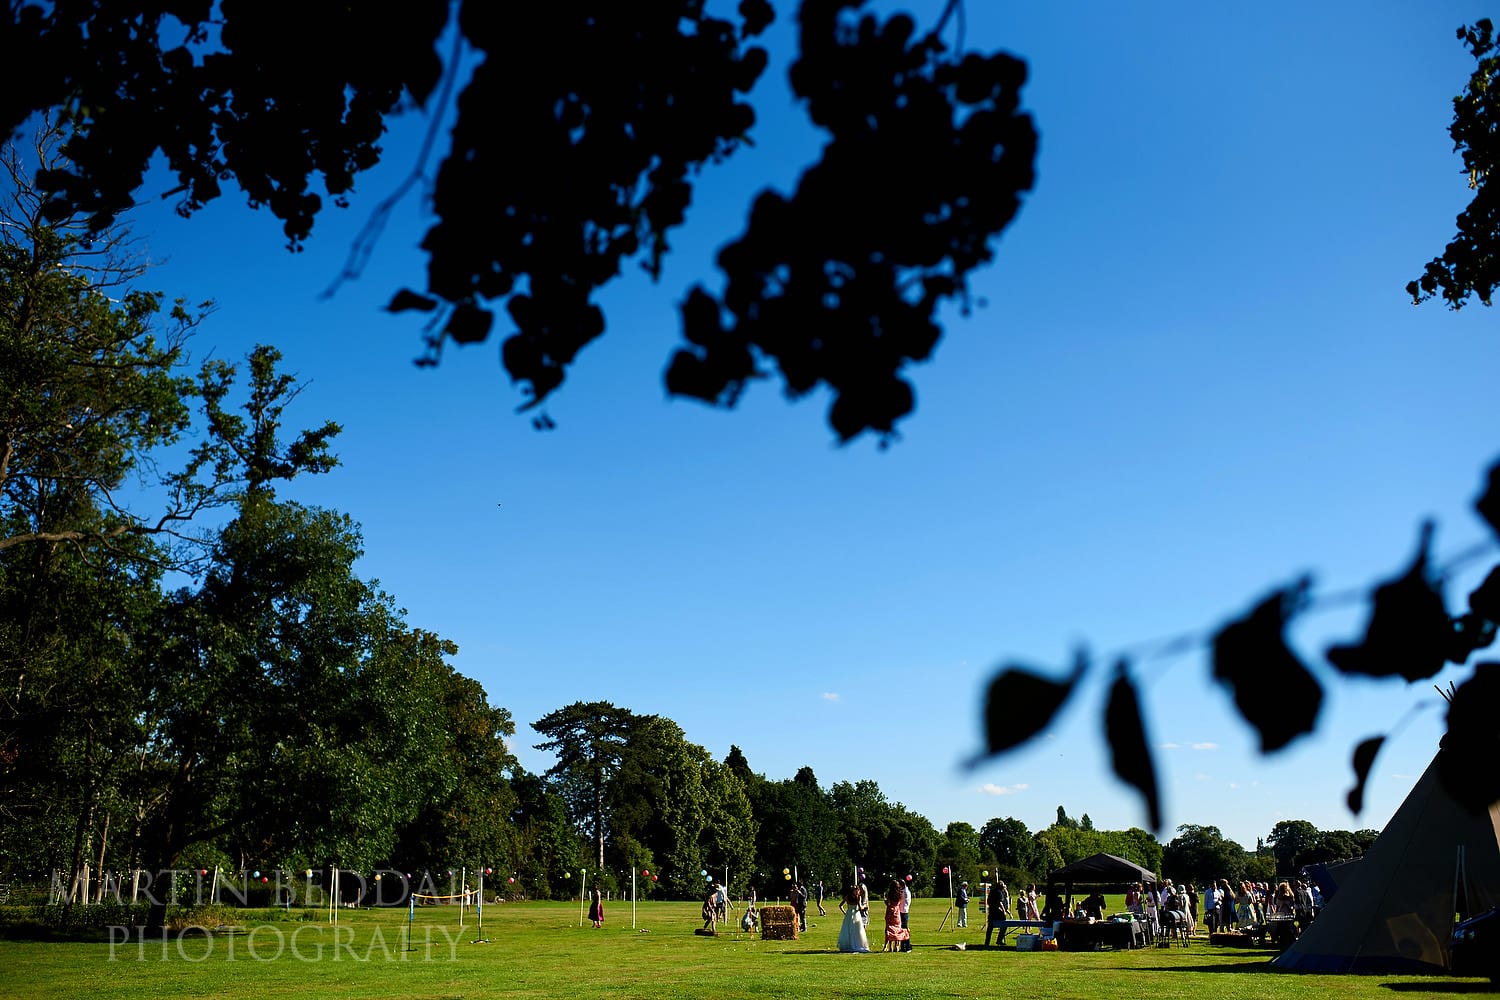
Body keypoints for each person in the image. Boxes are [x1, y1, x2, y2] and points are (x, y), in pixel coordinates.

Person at [837, 883, 871, 953]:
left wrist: (845, 912)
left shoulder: (847, 896)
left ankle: (848, 945)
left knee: (847, 930)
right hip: (856, 915)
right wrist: (866, 906)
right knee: (856, 931)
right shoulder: (858, 897)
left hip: (848, 915)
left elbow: (840, 905)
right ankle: (857, 944)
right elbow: (861, 908)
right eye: (858, 890)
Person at [883, 881, 911, 952]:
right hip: (897, 912)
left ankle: (889, 946)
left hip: (890, 911)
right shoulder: (900, 893)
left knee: (889, 928)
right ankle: (896, 946)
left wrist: (885, 900)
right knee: (897, 928)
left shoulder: (890, 894)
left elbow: (888, 903)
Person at [983, 880, 1011, 947]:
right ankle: (999, 940)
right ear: (1001, 886)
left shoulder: (992, 891)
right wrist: (1004, 911)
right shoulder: (999, 892)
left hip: (991, 911)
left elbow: (988, 901)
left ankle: (987, 942)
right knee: (1004, 925)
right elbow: (1000, 903)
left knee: (990, 928)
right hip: (997, 912)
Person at [899, 878, 913, 951]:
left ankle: (907, 945)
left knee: (904, 929)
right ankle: (903, 946)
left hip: (903, 912)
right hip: (903, 911)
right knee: (903, 929)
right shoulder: (905, 891)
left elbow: (900, 899)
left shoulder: (905, 892)